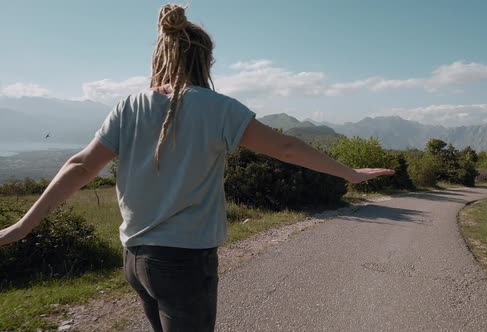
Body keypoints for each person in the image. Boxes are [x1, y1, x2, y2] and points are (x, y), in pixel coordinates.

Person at [0, 4, 394, 331]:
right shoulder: (218, 108)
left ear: (162, 54)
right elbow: (288, 147)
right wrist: (351, 174)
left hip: (135, 259)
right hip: (184, 261)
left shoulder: (128, 106)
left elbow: (81, 165)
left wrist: (22, 226)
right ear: (205, 60)